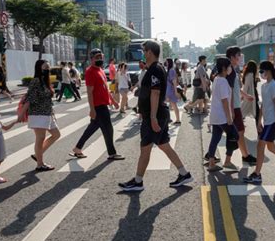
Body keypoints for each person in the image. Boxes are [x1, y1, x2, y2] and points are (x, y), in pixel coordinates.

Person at [118, 41, 193, 191]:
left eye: (144, 51)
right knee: (163, 145)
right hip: (157, 113)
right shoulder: (154, 68)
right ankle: (184, 174)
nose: (143, 54)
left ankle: (138, 182)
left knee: (146, 147)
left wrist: (152, 117)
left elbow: (156, 92)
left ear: (150, 52)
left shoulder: (155, 70)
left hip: (155, 114)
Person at [71, 49, 124, 160]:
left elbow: (105, 88)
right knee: (108, 129)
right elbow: (90, 92)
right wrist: (92, 109)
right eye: (97, 57)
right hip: (98, 106)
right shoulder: (90, 71)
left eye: (101, 57)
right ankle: (112, 153)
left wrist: (113, 101)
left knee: (92, 128)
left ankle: (77, 148)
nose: (99, 59)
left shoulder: (100, 70)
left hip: (103, 104)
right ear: (91, 59)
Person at [19, 60, 61, 171]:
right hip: (38, 114)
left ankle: (38, 154)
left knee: (56, 134)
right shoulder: (36, 81)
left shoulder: (44, 81)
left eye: (48, 68)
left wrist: (52, 113)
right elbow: (29, 99)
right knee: (40, 138)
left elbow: (47, 99)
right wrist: (21, 114)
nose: (47, 70)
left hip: (47, 114)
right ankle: (40, 164)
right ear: (39, 68)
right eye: (45, 68)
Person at [206, 57, 239, 172]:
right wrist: (229, 117)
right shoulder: (223, 81)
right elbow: (225, 101)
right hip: (222, 116)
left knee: (215, 138)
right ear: (225, 68)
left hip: (215, 115)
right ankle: (227, 161)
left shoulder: (216, 79)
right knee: (234, 135)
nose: (231, 68)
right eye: (229, 66)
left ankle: (211, 163)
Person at [226, 46, 257, 165]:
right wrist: (232, 109)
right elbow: (230, 90)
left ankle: (214, 156)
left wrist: (245, 95)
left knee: (235, 132)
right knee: (239, 131)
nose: (240, 57)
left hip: (234, 105)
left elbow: (236, 88)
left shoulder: (232, 69)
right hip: (234, 106)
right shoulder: (230, 71)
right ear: (232, 57)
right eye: (238, 55)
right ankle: (245, 155)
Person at [165, 58, 181, 125]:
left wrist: (176, 92)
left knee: (174, 105)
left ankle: (177, 120)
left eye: (166, 62)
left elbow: (174, 82)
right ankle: (173, 119)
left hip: (171, 90)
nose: (165, 63)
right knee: (172, 105)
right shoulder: (169, 70)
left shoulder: (171, 70)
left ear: (169, 63)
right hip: (169, 90)